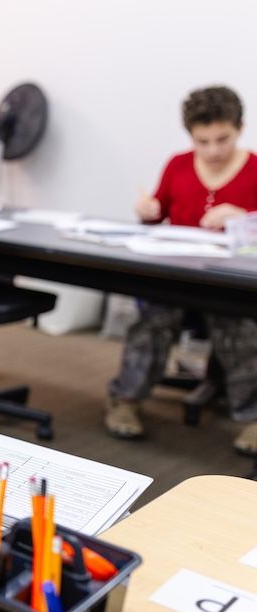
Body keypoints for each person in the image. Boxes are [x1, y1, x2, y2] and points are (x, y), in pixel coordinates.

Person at [106, 85, 257, 453]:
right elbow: (158, 211)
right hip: (178, 278)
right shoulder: (178, 164)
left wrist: (245, 219)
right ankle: (126, 402)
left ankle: (253, 418)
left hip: (231, 286)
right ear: (191, 135)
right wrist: (148, 211)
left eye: (222, 139)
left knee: (239, 328)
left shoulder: (254, 168)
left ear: (239, 127)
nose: (213, 150)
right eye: (202, 141)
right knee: (152, 321)